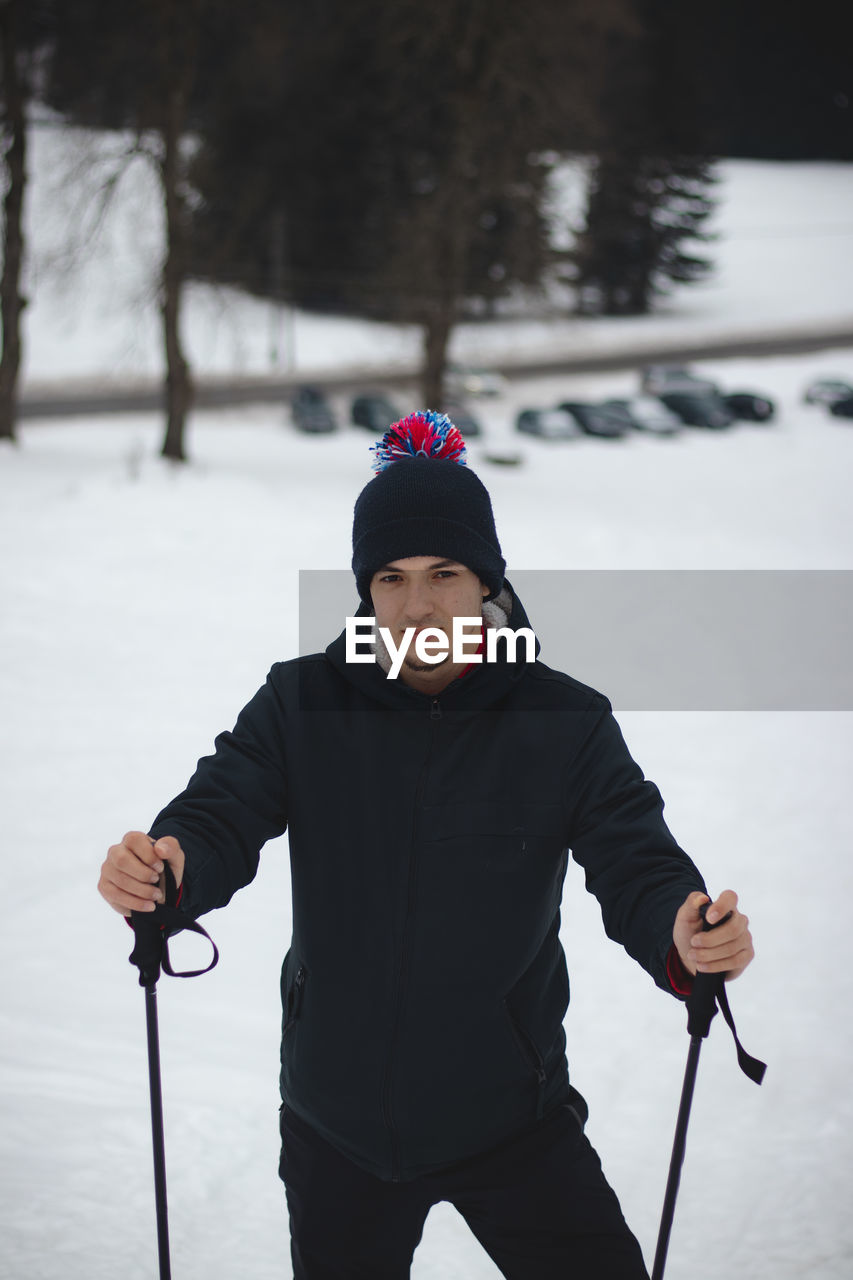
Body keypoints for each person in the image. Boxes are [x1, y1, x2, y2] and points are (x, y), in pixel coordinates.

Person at [98, 410, 754, 1280]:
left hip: (511, 1119)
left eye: (444, 573)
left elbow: (635, 855)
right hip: (337, 1128)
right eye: (391, 578)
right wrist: (169, 862)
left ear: (485, 582)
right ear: (365, 592)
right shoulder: (302, 705)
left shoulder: (564, 721)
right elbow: (220, 810)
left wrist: (681, 926)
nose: (418, 606)